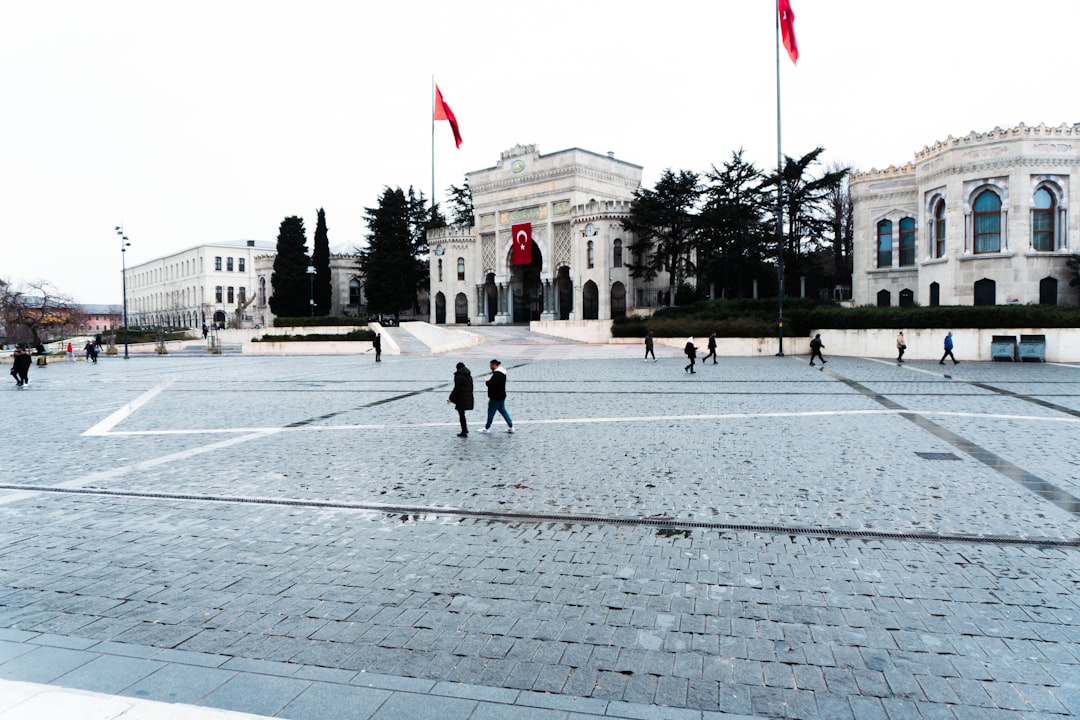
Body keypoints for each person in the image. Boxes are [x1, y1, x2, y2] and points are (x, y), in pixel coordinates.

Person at [479, 359, 513, 433]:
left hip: (495, 397)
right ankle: (511, 426)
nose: (490, 367)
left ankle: (487, 428)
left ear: (494, 365)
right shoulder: (502, 373)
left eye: (491, 365)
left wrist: (487, 382)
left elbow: (492, 384)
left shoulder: (497, 374)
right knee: (503, 411)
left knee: (491, 412)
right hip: (502, 396)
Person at [447, 362, 474, 437]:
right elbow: (471, 387)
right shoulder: (469, 375)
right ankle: (465, 429)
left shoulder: (458, 376)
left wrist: (450, 398)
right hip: (468, 396)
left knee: (461, 415)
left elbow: (456, 388)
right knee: (462, 414)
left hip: (461, 398)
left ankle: (464, 431)